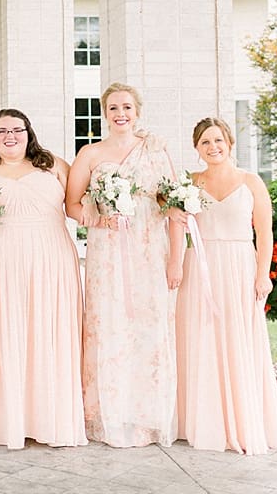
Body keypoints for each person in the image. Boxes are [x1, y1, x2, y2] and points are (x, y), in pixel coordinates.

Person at [0, 108, 87, 449]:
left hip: (51, 257)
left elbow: (78, 204)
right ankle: (4, 422)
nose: (9, 136)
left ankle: (49, 420)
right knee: (3, 331)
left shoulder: (56, 166)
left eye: (17, 130)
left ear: (29, 133)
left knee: (46, 331)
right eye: (2, 131)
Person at [65, 82, 185, 448]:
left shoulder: (155, 150)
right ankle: (108, 414)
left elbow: (176, 206)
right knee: (109, 325)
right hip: (108, 254)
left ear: (138, 112)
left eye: (127, 107)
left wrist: (175, 262)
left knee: (148, 327)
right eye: (114, 107)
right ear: (105, 112)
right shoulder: (89, 154)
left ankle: (148, 415)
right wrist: (100, 220)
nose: (121, 114)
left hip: (150, 249)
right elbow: (71, 206)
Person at [175, 117, 277, 454]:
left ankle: (242, 418)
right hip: (201, 267)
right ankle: (204, 419)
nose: (213, 147)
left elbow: (265, 233)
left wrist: (262, 274)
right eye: (206, 142)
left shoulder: (251, 182)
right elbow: (176, 225)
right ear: (197, 148)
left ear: (230, 144)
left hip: (240, 265)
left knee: (239, 338)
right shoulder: (189, 183)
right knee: (202, 336)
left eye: (218, 141)